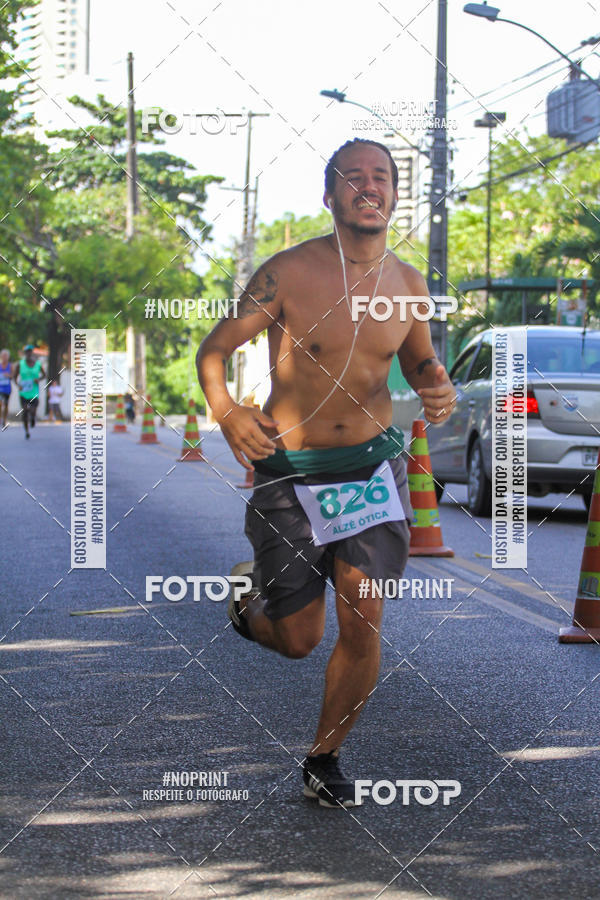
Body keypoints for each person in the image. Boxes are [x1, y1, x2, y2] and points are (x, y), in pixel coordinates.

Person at [197, 139, 456, 809]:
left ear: (396, 194)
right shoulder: (289, 272)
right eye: (353, 177)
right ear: (330, 195)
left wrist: (436, 383)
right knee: (298, 640)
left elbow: (422, 359)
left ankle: (325, 757)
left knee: (363, 616)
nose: (368, 187)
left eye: (382, 177)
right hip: (291, 473)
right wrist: (226, 413)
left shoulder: (408, 284)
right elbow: (215, 349)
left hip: (370, 468)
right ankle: (249, 607)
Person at [14, 345, 45, 439]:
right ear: (25, 353)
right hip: (23, 392)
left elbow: (44, 375)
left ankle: (33, 418)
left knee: (32, 411)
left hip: (34, 392)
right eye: (27, 352)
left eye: (30, 351)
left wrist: (38, 380)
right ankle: (27, 431)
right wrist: (18, 385)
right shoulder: (20, 364)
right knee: (25, 411)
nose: (28, 353)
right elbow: (14, 377)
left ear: (32, 353)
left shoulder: (38, 364)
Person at [0, 349, 12, 428]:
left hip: (7, 388)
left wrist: (9, 375)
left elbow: (13, 375)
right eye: (3, 355)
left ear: (8, 357)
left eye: (6, 356)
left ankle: (5, 419)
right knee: (0, 403)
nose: (4, 357)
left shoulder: (10, 366)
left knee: (6, 405)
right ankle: (0, 419)